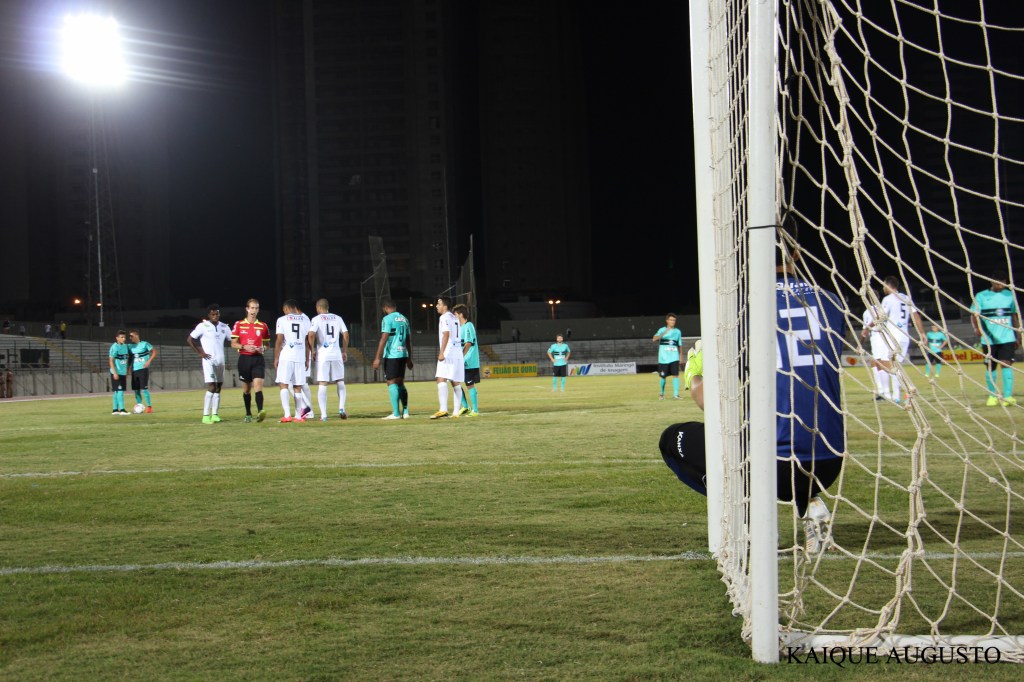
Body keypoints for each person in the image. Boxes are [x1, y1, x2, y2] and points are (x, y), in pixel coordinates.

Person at [660, 240, 846, 555]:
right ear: (797, 253)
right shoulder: (832, 302)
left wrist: (694, 373)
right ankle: (811, 504)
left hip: (770, 465)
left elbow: (708, 402)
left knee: (671, 439)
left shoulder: (741, 306)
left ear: (750, 255)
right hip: (828, 462)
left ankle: (750, 520)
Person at [971, 271, 1021, 406]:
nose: (1000, 284)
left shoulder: (1010, 295)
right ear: (991, 281)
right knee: (990, 366)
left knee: (1006, 364)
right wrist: (976, 328)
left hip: (1007, 337)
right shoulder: (981, 296)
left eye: (1003, 281)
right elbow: (974, 314)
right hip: (989, 338)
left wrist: (1018, 335)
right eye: (997, 281)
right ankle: (992, 396)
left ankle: (1008, 396)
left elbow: (1014, 316)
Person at [874, 276, 926, 404]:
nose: (883, 288)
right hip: (904, 336)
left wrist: (874, 324)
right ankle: (901, 395)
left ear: (887, 285)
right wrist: (922, 333)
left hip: (893, 335)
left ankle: (892, 394)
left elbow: (881, 316)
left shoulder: (887, 299)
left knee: (886, 364)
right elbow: (915, 316)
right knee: (897, 366)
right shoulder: (906, 298)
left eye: (883, 285)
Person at [187, 304, 232, 424]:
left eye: (217, 314)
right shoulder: (203, 326)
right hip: (208, 360)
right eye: (213, 314)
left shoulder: (224, 327)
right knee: (211, 386)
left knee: (218, 387)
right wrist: (200, 352)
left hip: (221, 360)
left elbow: (233, 340)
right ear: (209, 315)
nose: (215, 316)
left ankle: (215, 415)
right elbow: (190, 339)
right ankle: (205, 415)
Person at [308, 298, 350, 421]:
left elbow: (311, 335)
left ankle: (324, 415)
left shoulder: (316, 319)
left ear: (318, 308)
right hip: (336, 353)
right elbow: (346, 335)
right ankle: (341, 408)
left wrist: (312, 350)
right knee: (340, 381)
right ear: (328, 307)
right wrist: (344, 351)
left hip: (323, 354)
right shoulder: (338, 318)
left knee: (323, 383)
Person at [372, 299, 413, 420]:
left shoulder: (387, 319)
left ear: (385, 308)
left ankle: (395, 413)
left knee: (391, 382)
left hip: (392, 355)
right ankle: (405, 411)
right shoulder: (404, 319)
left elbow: (384, 338)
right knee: (400, 382)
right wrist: (410, 358)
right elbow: (408, 340)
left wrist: (377, 358)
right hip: (403, 353)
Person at [231, 298, 270, 423]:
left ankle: (260, 412)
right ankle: (248, 413)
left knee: (258, 385)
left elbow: (267, 344)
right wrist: (244, 346)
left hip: (258, 359)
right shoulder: (239, 324)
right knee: (247, 389)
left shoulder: (263, 326)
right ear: (247, 309)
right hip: (244, 359)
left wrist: (262, 349)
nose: (254, 310)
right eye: (252, 308)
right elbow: (233, 344)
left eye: (256, 308)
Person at [274, 299, 312, 422]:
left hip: (287, 356)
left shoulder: (282, 320)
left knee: (283, 384)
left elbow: (279, 340)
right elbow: (307, 342)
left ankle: (287, 415)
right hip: (300, 356)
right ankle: (298, 416)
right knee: (297, 386)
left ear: (286, 309)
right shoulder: (305, 320)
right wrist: (307, 359)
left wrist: (276, 357)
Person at [431, 296, 465, 419]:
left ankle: (443, 409)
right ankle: (456, 412)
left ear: (445, 306)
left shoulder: (444, 317)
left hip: (449, 352)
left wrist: (442, 352)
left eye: (438, 304)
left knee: (441, 379)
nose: (437, 306)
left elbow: (446, 334)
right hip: (457, 352)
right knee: (455, 381)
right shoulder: (454, 317)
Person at [454, 304, 480, 416]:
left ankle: (475, 410)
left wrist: (461, 357)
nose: (454, 317)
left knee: (469, 385)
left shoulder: (468, 325)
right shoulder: (458, 328)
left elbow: (469, 343)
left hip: (468, 361)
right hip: (460, 361)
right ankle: (465, 407)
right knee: (455, 383)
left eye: (455, 314)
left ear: (460, 314)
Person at [653, 313, 684, 399]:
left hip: (674, 357)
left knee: (676, 375)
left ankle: (676, 394)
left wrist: (681, 357)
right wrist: (664, 333)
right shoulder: (662, 330)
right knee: (663, 376)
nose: (672, 321)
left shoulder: (678, 331)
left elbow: (679, 345)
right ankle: (662, 394)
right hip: (663, 358)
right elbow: (654, 339)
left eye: (674, 320)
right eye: (671, 320)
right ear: (667, 321)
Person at [128, 329, 157, 412]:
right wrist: (128, 369)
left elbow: (154, 352)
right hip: (134, 370)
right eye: (129, 336)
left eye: (131, 336)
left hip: (143, 369)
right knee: (136, 390)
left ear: (136, 336)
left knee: (144, 389)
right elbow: (130, 358)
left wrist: (149, 361)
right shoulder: (130, 346)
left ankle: (149, 407)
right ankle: (139, 406)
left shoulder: (145, 344)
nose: (130, 338)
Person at [108, 329, 130, 415]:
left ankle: (115, 410)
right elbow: (110, 361)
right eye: (121, 337)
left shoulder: (125, 346)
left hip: (123, 372)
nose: (123, 339)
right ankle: (122, 409)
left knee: (117, 391)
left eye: (124, 337)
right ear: (117, 338)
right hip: (116, 373)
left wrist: (126, 371)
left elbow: (125, 359)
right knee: (120, 390)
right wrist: (115, 373)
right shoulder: (114, 347)